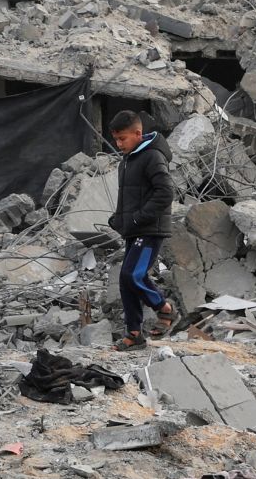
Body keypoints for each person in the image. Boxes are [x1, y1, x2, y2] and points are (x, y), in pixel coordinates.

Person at [107, 110, 176, 351]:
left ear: (138, 133)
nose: (118, 144)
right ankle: (134, 334)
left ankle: (164, 309)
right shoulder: (128, 159)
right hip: (135, 229)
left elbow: (166, 192)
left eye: (122, 139)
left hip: (149, 230)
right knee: (127, 280)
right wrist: (119, 218)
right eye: (116, 139)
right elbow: (131, 196)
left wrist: (137, 218)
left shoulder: (153, 157)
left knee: (132, 276)